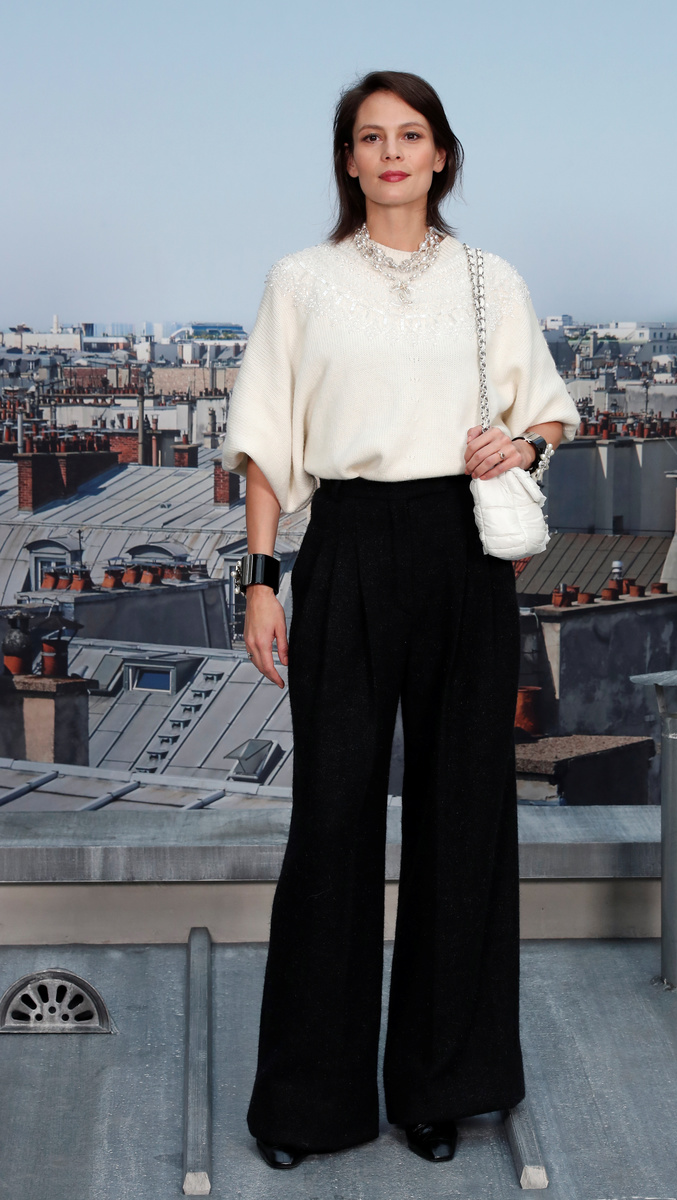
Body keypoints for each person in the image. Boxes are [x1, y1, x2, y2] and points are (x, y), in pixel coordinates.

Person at [221, 69, 580, 1171]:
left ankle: (441, 1086)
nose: (390, 153)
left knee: (462, 815)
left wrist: (522, 444)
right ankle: (308, 1101)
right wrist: (261, 579)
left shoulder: (488, 277)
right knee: (330, 819)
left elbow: (549, 415)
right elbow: (269, 440)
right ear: (348, 159)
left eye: (409, 135)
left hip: (462, 551)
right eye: (370, 136)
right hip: (346, 544)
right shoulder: (301, 281)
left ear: (440, 155)